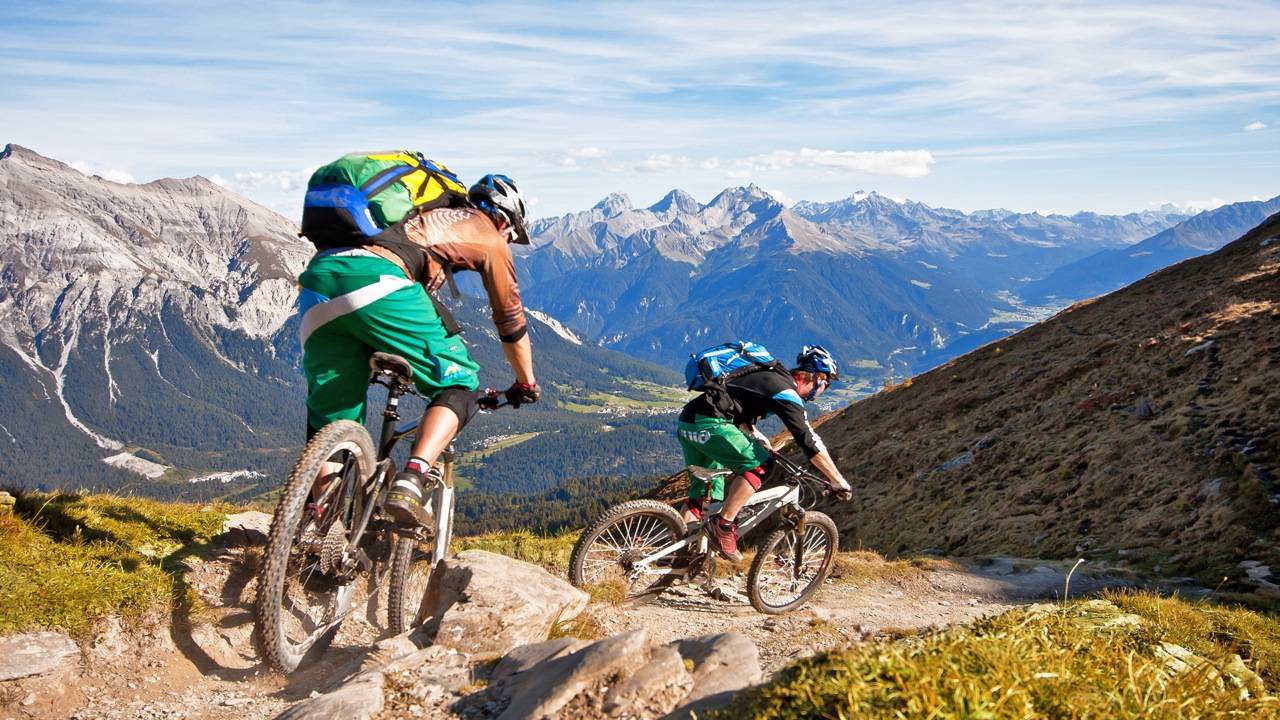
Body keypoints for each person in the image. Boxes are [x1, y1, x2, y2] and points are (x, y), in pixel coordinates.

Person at [297, 173, 540, 527]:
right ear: (504, 219)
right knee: (460, 385)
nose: (508, 240)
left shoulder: (415, 214)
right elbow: (511, 322)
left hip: (318, 281)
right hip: (378, 283)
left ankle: (319, 524)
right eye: (511, 233)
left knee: (335, 419)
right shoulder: (490, 237)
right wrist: (525, 382)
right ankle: (412, 479)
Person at [677, 344, 852, 562]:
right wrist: (837, 480)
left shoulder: (770, 376)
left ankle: (677, 555)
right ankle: (723, 525)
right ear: (817, 378)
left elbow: (737, 408)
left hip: (689, 422)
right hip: (710, 424)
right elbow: (808, 440)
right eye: (826, 383)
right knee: (760, 465)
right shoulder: (787, 392)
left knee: (703, 498)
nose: (824, 389)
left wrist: (758, 437)